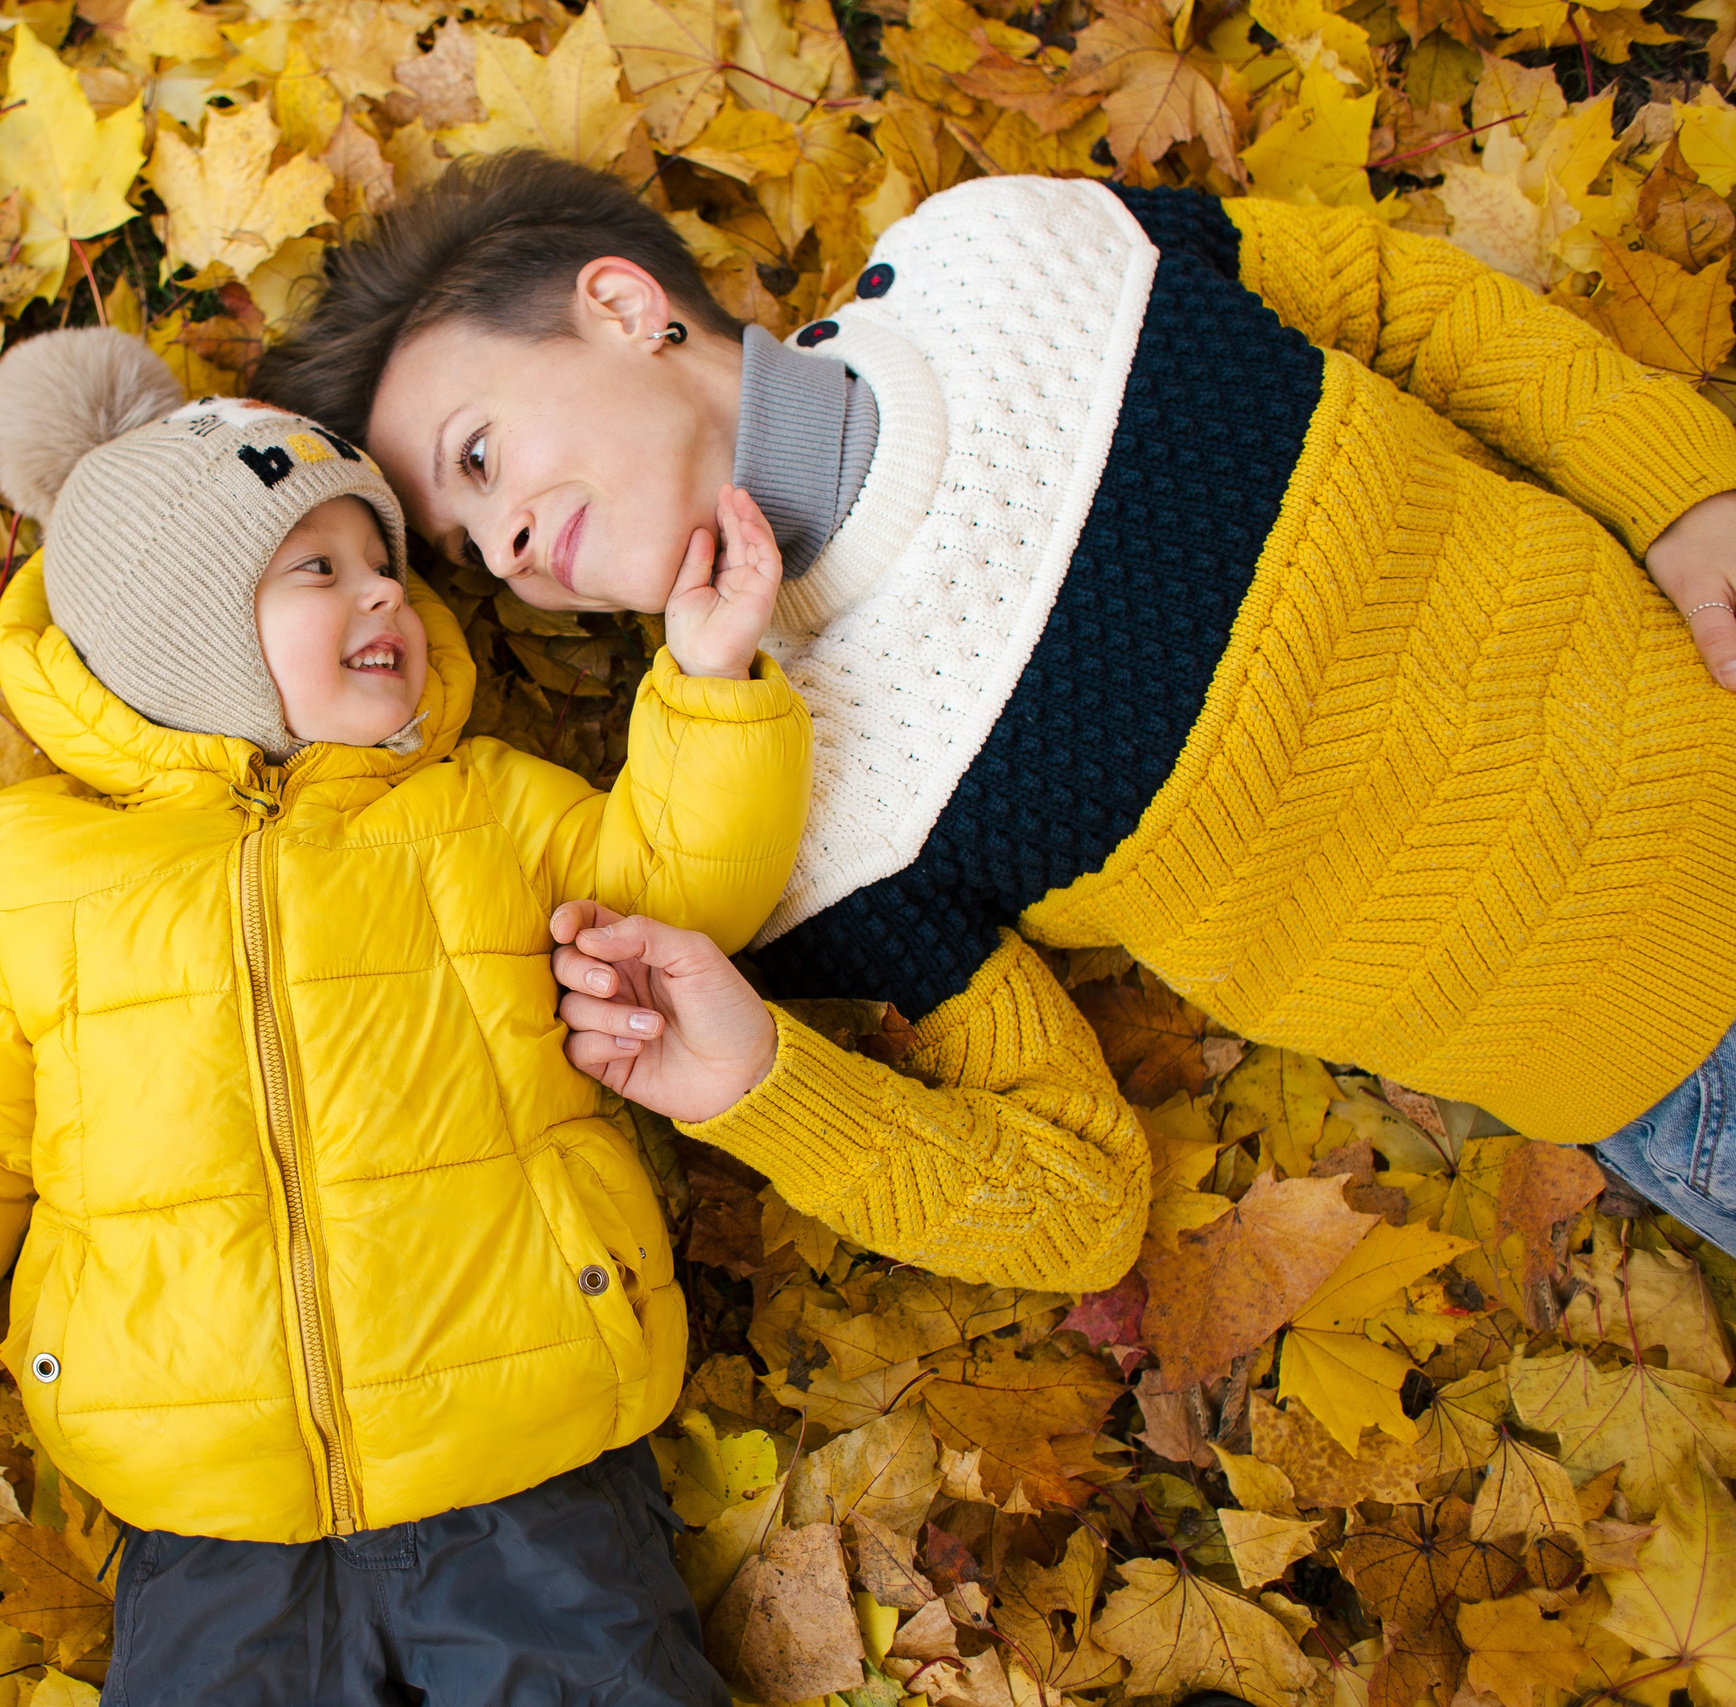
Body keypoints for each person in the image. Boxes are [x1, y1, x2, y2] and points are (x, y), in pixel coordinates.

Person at [250, 150, 1736, 1271]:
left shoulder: (1010, 256)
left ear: (624, 307)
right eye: (467, 546)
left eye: (483, 454)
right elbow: (1078, 1206)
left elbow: (1393, 302)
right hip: (1679, 1057)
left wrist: (1680, 485)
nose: (502, 545)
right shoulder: (821, 814)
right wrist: (763, 1091)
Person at [0, 327, 813, 1705]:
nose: (382, 597)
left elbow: (674, 898)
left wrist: (711, 689)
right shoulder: (31, 875)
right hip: (206, 1506)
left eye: (384, 563)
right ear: (177, 630)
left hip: (523, 1444)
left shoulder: (478, 811)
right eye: (317, 570)